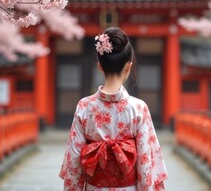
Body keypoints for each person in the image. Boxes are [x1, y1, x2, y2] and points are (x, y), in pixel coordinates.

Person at [59, 27, 168, 191]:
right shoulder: (138, 108)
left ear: (100, 66)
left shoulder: (84, 106)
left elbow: (74, 160)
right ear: (128, 67)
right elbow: (146, 164)